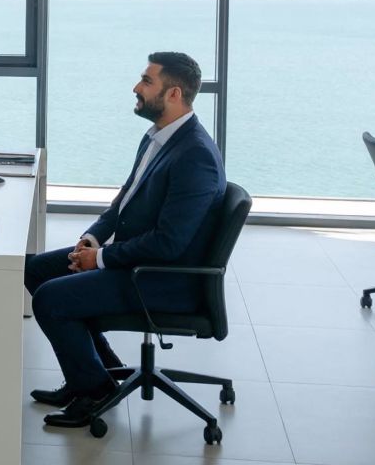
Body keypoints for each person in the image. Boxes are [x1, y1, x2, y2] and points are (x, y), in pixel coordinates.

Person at [25, 52, 226, 428]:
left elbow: (169, 244)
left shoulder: (194, 156)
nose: (136, 87)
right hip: (137, 262)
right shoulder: (159, 138)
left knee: (52, 298)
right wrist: (92, 237)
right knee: (37, 270)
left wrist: (100, 259)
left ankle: (96, 390)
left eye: (147, 81)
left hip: (164, 277)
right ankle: (98, 372)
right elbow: (125, 201)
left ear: (174, 94)